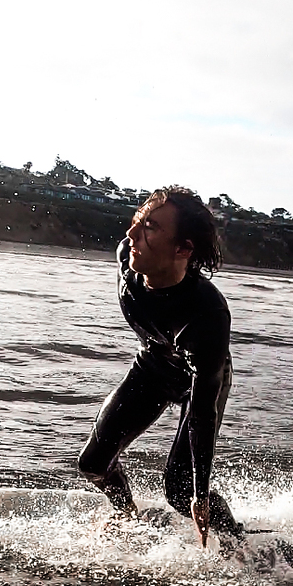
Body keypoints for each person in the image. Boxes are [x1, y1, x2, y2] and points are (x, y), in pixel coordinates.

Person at [78, 186, 242, 548]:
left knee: (181, 493)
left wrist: (201, 494)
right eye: (137, 222)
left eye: (149, 227)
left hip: (201, 382)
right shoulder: (128, 259)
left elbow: (203, 411)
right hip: (151, 368)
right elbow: (129, 244)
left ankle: (236, 542)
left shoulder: (208, 314)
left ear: (183, 249)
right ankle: (125, 514)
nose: (131, 234)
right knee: (93, 463)